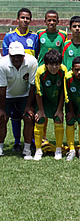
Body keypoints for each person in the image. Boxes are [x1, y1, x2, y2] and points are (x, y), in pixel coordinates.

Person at [2, 8, 38, 152]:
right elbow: (6, 59)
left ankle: (32, 141)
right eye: (22, 17)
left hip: (28, 79)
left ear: (30, 20)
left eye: (27, 18)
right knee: (15, 116)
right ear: (17, 19)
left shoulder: (34, 37)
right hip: (13, 80)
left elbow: (38, 55)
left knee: (29, 114)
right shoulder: (9, 36)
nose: (25, 20)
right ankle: (17, 142)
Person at [0, 42, 37, 159]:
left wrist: (29, 106)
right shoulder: (2, 64)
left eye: (20, 56)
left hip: (24, 95)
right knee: (2, 119)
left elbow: (32, 85)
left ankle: (27, 149)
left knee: (28, 117)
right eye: (14, 56)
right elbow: (2, 88)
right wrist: (1, 109)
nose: (17, 59)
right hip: (7, 95)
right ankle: (0, 147)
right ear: (9, 55)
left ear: (24, 55)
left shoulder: (32, 62)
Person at [33, 49, 67, 161]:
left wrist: (60, 109)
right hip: (43, 101)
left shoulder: (63, 70)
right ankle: (38, 150)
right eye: (51, 64)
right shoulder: (40, 72)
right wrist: (41, 111)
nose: (54, 67)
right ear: (46, 64)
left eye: (57, 64)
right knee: (40, 119)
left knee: (58, 119)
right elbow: (38, 92)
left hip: (57, 100)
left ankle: (58, 149)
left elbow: (63, 91)